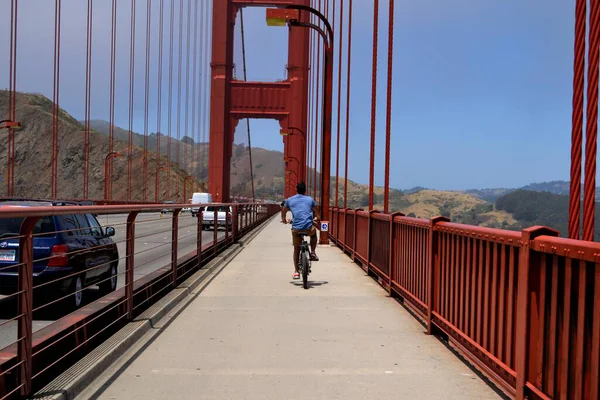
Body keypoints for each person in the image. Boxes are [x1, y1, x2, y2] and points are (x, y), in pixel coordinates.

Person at [281, 182, 319, 280]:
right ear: (305, 190)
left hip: (296, 229)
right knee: (314, 234)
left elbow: (284, 211)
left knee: (296, 249)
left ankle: (296, 272)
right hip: (308, 227)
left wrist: (284, 219)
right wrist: (317, 218)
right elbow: (317, 210)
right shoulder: (310, 199)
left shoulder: (290, 200)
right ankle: (313, 252)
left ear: (296, 189)